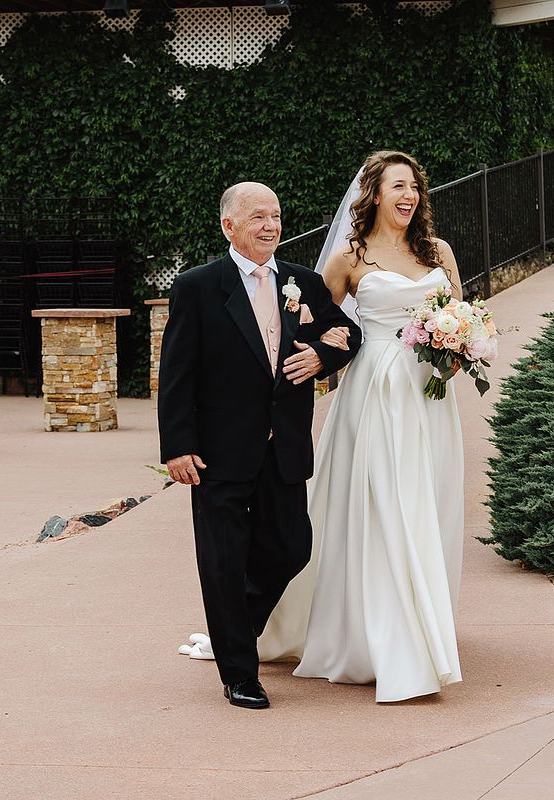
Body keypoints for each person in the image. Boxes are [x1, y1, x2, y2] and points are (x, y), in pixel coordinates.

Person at [158, 181, 361, 709]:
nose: (270, 225)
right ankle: (239, 674)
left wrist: (322, 355)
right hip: (217, 452)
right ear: (229, 226)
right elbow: (176, 372)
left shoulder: (304, 282)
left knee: (291, 546)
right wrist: (177, 447)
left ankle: (233, 630)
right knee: (223, 560)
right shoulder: (198, 286)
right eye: (257, 217)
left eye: (275, 215)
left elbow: (349, 334)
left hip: (284, 447)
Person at [284, 150, 466, 702]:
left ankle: (420, 618)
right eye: (397, 187)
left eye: (414, 187)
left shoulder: (437, 252)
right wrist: (320, 355)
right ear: (374, 194)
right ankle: (383, 639)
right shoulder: (348, 256)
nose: (408, 196)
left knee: (425, 503)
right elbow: (315, 322)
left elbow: (459, 312)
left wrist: (460, 348)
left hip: (429, 396)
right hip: (374, 394)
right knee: (384, 505)